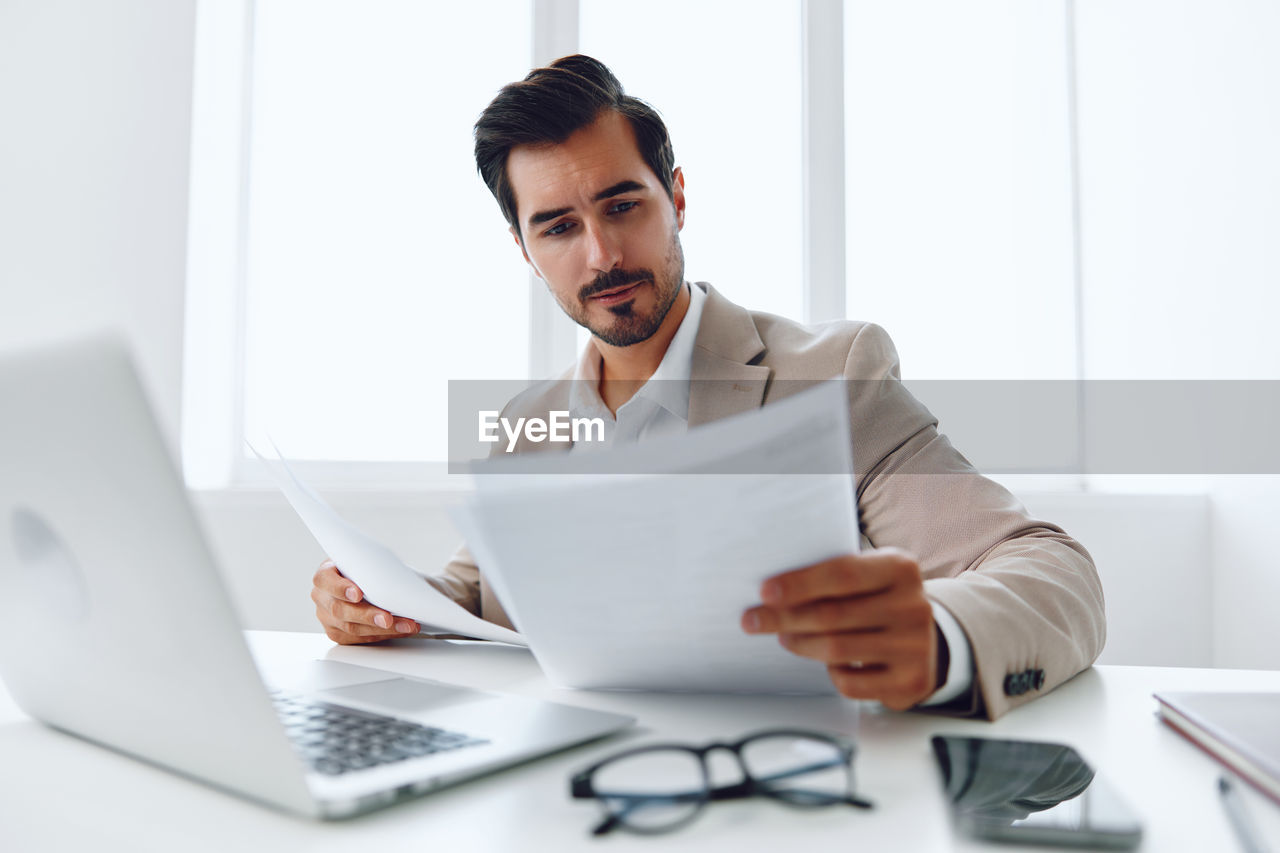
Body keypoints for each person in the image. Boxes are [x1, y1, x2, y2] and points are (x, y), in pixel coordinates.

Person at [311, 55, 1104, 720]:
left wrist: (941, 638)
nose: (603, 255)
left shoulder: (832, 374)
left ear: (677, 197)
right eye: (558, 227)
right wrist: (382, 603)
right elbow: (482, 595)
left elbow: (1050, 569)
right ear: (523, 248)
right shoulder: (529, 422)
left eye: (624, 205)